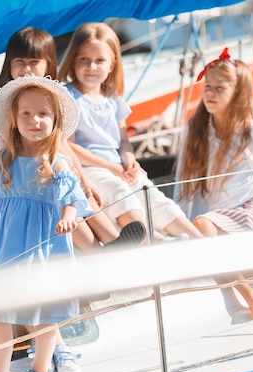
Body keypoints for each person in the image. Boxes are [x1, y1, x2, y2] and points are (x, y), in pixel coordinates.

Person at [0, 76, 90, 372]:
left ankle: (41, 371)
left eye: (43, 114)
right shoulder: (4, 162)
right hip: (8, 247)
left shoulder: (56, 162)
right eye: (27, 114)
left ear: (55, 120)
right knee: (2, 312)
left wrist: (68, 216)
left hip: (45, 247)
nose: (35, 120)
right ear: (14, 122)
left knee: (45, 309)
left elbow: (71, 199)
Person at [0, 26, 145, 253]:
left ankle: (113, 243)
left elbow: (62, 143)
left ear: (48, 64)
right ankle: (103, 250)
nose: (26, 69)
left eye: (34, 62)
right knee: (63, 200)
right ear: (9, 63)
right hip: (24, 176)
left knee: (78, 191)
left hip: (52, 169)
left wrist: (84, 180)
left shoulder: (50, 99)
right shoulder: (5, 101)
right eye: (20, 62)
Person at [174, 49, 253, 320]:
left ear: (238, 94)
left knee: (203, 227)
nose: (210, 93)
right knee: (200, 228)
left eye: (220, 88)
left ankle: (249, 295)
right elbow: (185, 185)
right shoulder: (196, 130)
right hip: (225, 215)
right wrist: (180, 226)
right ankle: (250, 292)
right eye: (208, 86)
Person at [58, 22, 203, 241]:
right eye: (84, 60)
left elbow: (124, 141)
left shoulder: (113, 99)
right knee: (120, 191)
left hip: (116, 165)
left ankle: (199, 240)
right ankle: (158, 242)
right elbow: (68, 146)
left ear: (112, 64)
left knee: (148, 190)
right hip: (91, 169)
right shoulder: (68, 97)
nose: (92, 66)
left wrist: (128, 159)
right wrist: (112, 167)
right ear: (73, 61)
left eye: (100, 61)